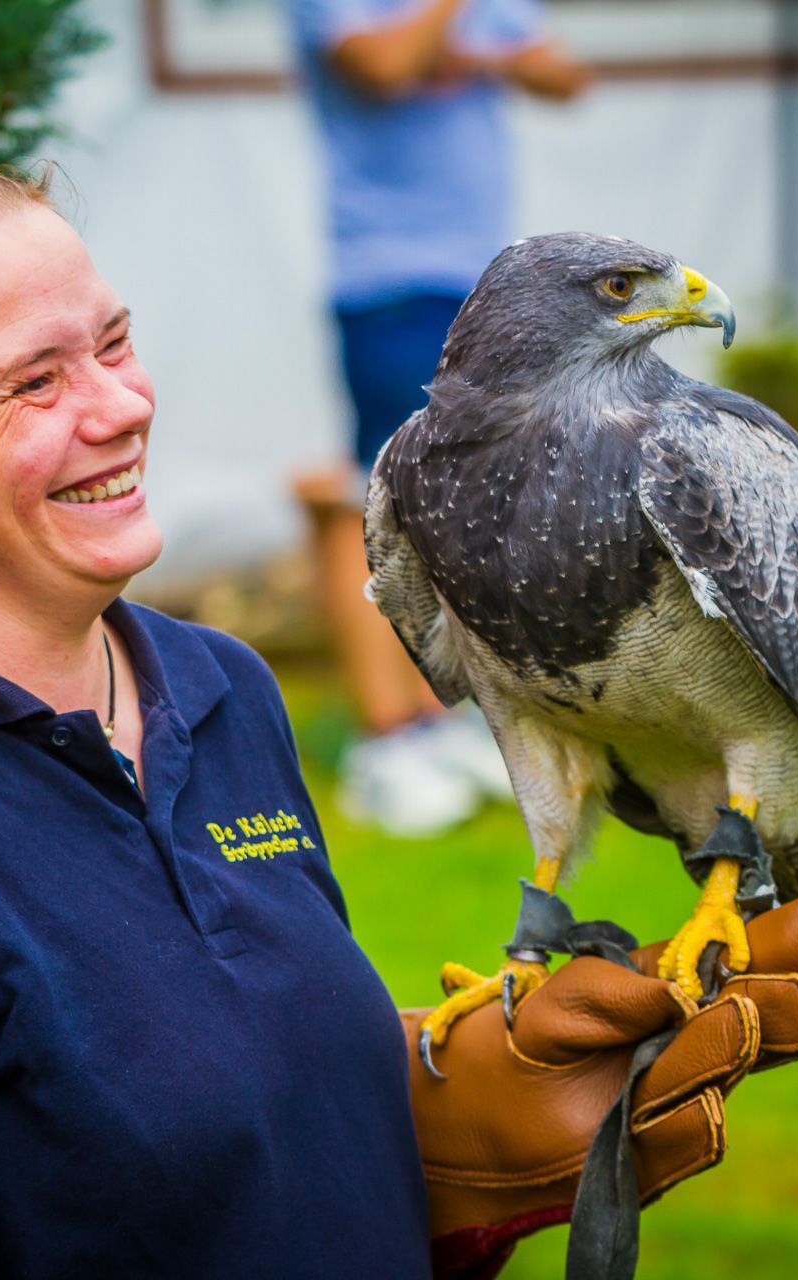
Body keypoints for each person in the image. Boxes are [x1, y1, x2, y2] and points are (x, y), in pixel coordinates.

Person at [0, 165, 798, 1280]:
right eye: (35, 383)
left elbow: (218, 1117)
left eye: (113, 344)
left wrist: (453, 1132)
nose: (122, 406)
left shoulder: (217, 685)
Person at [289, 0, 588, 834]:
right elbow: (383, 65)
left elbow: (563, 76)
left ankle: (442, 717)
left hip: (481, 277)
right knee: (377, 496)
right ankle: (388, 741)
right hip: (387, 280)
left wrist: (477, 57)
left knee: (467, 508)